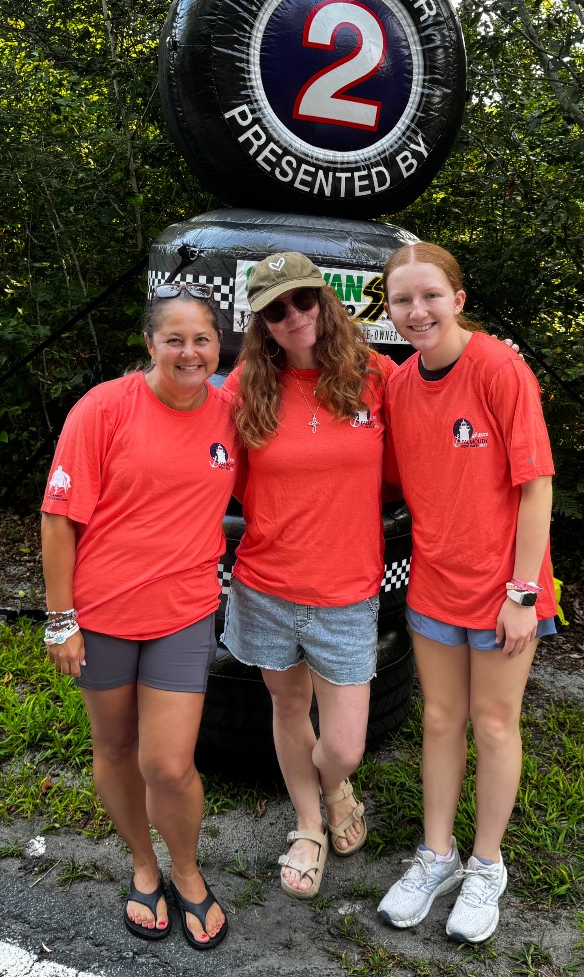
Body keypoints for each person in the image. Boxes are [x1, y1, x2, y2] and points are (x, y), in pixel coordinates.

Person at [40, 282, 234, 950]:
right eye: (173, 339)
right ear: (149, 344)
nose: (188, 352)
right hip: (102, 614)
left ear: (219, 345)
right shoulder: (104, 409)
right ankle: (143, 866)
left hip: (182, 613)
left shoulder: (231, 410)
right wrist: (61, 619)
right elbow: (59, 519)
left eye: (201, 339)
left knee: (169, 764)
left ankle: (186, 871)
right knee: (117, 748)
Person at [376, 242, 556, 944]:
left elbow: (536, 484)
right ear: (387, 310)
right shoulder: (395, 383)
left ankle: (487, 865)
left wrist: (522, 593)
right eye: (402, 299)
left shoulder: (499, 367)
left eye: (429, 295)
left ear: (458, 299)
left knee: (493, 724)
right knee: (441, 721)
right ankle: (438, 856)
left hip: (505, 588)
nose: (416, 310)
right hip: (433, 585)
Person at [221, 251, 396, 900]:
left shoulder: (372, 376)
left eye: (304, 300)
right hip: (266, 586)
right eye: (275, 309)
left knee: (344, 744)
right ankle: (308, 826)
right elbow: (211, 478)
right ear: (262, 322)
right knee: (288, 706)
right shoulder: (244, 389)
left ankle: (336, 782)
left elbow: (421, 462)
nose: (293, 316)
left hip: (347, 592)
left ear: (324, 301)